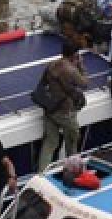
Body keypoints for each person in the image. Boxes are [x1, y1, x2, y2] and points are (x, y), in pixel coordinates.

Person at [37, 40, 89, 172]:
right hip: (66, 112)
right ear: (74, 55)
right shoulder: (71, 70)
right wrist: (81, 66)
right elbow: (85, 83)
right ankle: (71, 170)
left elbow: (42, 83)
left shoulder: (51, 65)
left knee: (50, 143)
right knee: (72, 142)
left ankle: (41, 173)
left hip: (50, 108)